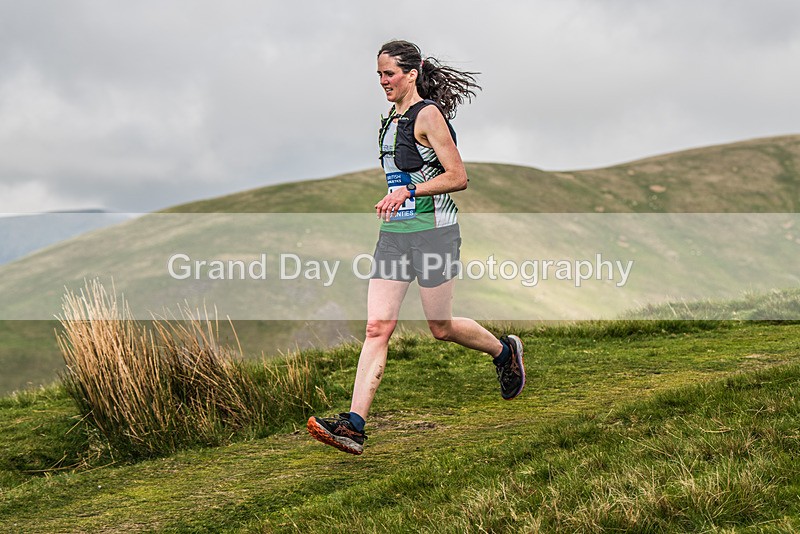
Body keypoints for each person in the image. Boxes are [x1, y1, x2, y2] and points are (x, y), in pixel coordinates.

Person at [307, 40, 525, 455]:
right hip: (395, 235)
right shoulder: (390, 118)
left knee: (440, 328)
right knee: (377, 327)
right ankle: (354, 426)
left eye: (388, 73)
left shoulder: (428, 115)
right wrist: (397, 198)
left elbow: (458, 176)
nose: (382, 81)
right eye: (378, 75)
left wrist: (409, 192)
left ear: (411, 73)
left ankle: (503, 352)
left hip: (435, 232)